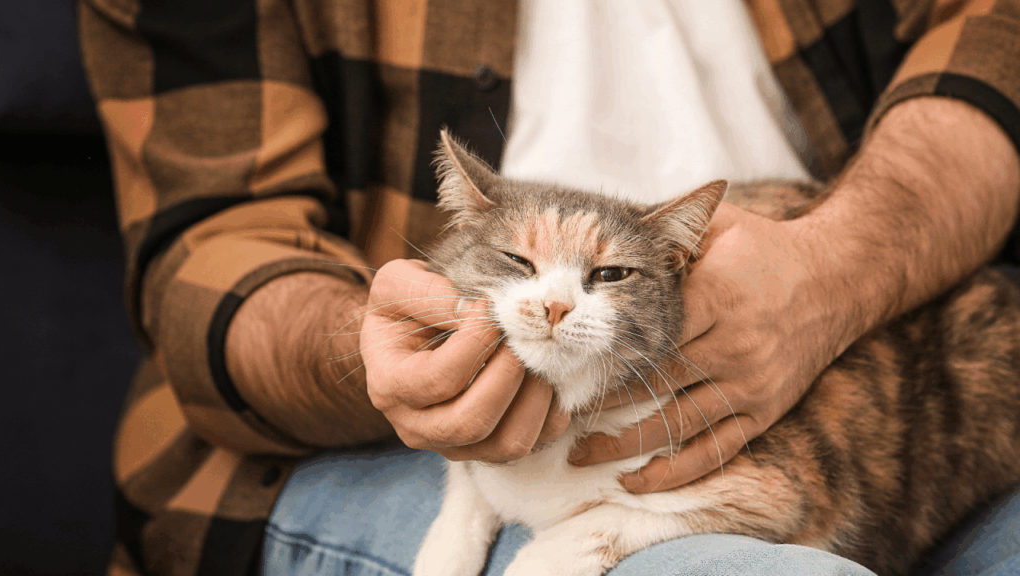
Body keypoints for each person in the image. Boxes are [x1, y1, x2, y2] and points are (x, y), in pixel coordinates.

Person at [78, 0, 1020, 575]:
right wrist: (369, 357)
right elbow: (208, 255)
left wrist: (836, 270)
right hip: (362, 442)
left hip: (863, 348)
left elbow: (998, 31)